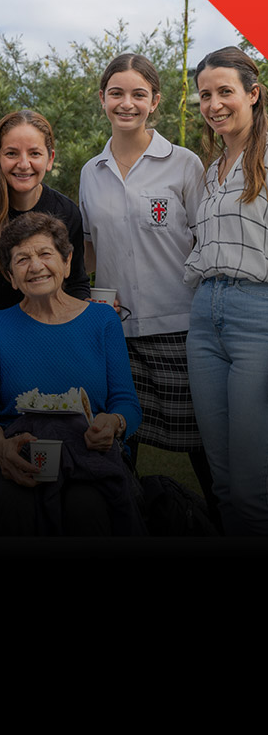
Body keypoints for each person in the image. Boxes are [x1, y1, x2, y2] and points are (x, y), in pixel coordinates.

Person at [0, 212, 145, 536]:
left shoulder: (103, 320)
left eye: (45, 254)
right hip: (16, 450)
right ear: (11, 275)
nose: (35, 266)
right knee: (15, 498)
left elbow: (126, 402)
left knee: (86, 505)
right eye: (22, 259)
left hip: (89, 453)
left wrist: (114, 424)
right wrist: (1, 448)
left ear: (67, 261)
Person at [78, 52, 221, 527]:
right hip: (115, 332)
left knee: (204, 445)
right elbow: (90, 250)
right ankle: (126, 524)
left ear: (155, 101)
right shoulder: (89, 172)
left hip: (181, 325)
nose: (127, 103)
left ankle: (228, 521)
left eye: (138, 94)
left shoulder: (184, 164)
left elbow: (208, 240)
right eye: (116, 93)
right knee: (120, 446)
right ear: (102, 99)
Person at [0, 109, 90, 403]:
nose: (23, 164)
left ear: (50, 159)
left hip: (51, 355)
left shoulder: (66, 212)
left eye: (34, 153)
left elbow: (75, 285)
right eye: (12, 153)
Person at [184, 46, 268, 536]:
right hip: (205, 317)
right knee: (222, 482)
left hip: (257, 315)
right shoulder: (211, 168)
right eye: (205, 95)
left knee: (254, 487)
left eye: (225, 92)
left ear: (253, 94)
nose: (214, 103)